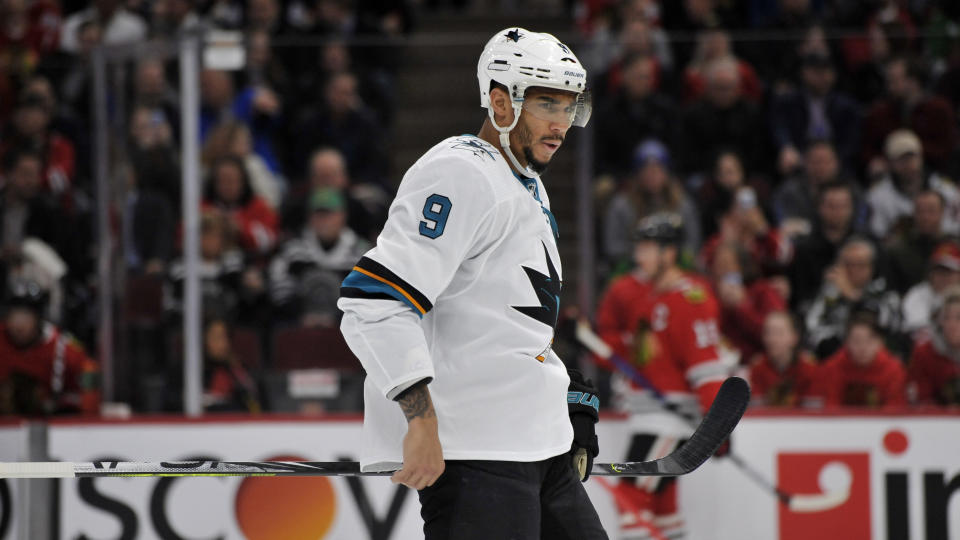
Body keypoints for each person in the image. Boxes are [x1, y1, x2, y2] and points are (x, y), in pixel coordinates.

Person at [337, 28, 607, 539]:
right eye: (547, 104)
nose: (561, 124)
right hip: (476, 455)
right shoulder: (460, 173)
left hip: (536, 449)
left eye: (570, 107)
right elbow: (372, 303)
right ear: (501, 103)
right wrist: (420, 423)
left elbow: (500, 322)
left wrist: (559, 398)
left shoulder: (526, 181)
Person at [594, 213, 726, 540]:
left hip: (667, 420)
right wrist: (588, 338)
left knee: (630, 496)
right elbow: (630, 358)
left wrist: (718, 421)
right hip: (648, 416)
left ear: (669, 253)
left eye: (647, 248)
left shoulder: (691, 299)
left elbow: (706, 366)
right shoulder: (650, 297)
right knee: (663, 506)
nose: (639, 256)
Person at [0, 279, 100, 415]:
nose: (19, 325)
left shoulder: (64, 349)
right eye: (14, 315)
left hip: (49, 425)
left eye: (26, 315)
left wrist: (81, 410)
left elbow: (90, 378)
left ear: (39, 318)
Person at [805, 237, 900, 359]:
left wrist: (852, 296)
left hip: (875, 356)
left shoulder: (885, 292)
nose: (854, 270)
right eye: (849, 265)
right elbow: (812, 324)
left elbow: (887, 322)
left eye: (861, 265)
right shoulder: (831, 291)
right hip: (836, 357)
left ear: (871, 267)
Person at [866, 130, 960, 240]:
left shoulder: (945, 189)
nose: (908, 164)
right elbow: (877, 231)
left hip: (942, 245)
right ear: (890, 163)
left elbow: (956, 226)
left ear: (921, 158)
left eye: (912, 157)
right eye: (901, 159)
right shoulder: (877, 195)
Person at [819, 311, 907, 407]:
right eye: (856, 341)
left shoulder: (893, 370)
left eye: (869, 341)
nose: (862, 347)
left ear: (880, 342)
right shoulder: (832, 368)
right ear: (846, 342)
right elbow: (830, 408)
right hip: (843, 421)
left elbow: (896, 409)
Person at [748, 311, 821, 407]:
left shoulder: (810, 369)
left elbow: (814, 411)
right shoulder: (757, 368)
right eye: (767, 332)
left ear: (794, 337)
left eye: (779, 333)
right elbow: (757, 410)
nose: (772, 339)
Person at [907, 286, 960, 405]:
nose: (952, 325)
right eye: (946, 318)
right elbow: (921, 401)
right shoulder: (925, 353)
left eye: (958, 318)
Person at [901, 241, 960, 339]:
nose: (943, 276)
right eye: (938, 271)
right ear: (931, 273)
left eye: (948, 272)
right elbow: (921, 334)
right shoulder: (918, 295)